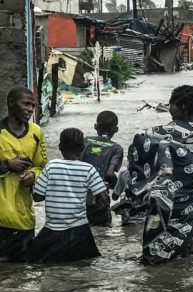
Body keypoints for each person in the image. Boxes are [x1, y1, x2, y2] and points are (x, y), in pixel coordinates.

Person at [113, 86, 193, 264]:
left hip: (160, 213)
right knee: (186, 264)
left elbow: (138, 166)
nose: (169, 106)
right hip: (190, 216)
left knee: (153, 264)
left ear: (181, 106)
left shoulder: (154, 133)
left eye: (172, 103)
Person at [27, 128, 109, 263]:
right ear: (83, 147)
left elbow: (37, 197)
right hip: (80, 232)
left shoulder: (51, 166)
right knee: (82, 267)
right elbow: (105, 200)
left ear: (60, 147)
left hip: (52, 231)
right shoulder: (88, 169)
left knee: (35, 264)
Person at [0, 86, 47, 262]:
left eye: (33, 106)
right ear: (11, 103)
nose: (30, 109)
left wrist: (34, 175)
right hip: (1, 218)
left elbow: (42, 166)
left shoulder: (36, 132)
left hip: (24, 218)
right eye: (26, 104)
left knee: (22, 271)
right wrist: (6, 165)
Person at [81, 111, 123, 226]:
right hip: (100, 198)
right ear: (116, 129)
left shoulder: (86, 141)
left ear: (95, 126)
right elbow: (109, 174)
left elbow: (77, 163)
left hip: (81, 196)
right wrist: (117, 188)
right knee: (102, 234)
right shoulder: (116, 148)